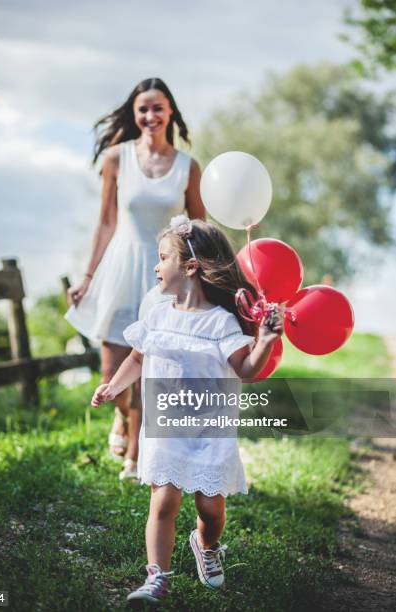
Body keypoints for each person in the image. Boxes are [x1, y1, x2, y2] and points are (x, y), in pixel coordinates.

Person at [91, 215, 283, 604]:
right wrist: (113, 386)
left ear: (191, 267)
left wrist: (264, 341)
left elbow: (246, 371)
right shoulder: (158, 315)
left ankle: (206, 544)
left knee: (210, 509)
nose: (156, 266)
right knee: (163, 503)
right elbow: (138, 358)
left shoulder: (220, 323)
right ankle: (156, 576)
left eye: (163, 258)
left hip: (209, 431)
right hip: (167, 429)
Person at [65, 78, 205, 479]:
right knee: (114, 374)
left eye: (158, 108)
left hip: (166, 275)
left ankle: (138, 454)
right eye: (143, 109)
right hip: (120, 269)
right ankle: (124, 420)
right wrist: (88, 276)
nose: (150, 116)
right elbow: (106, 220)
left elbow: (197, 227)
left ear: (171, 112)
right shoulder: (116, 158)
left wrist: (206, 277)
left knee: (152, 365)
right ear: (134, 114)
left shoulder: (187, 167)